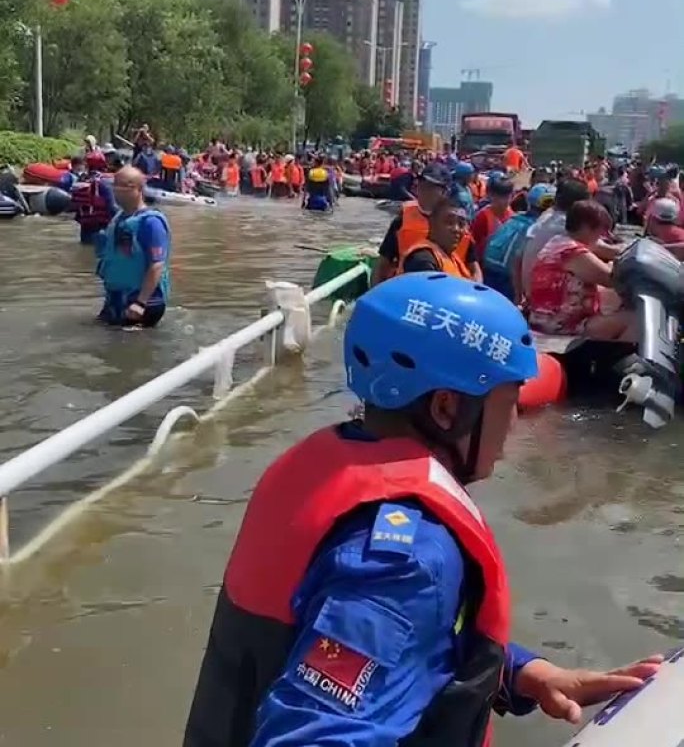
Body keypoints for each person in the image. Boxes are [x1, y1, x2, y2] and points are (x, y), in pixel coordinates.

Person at [184, 272, 662, 747]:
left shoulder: (329, 466)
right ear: (447, 408)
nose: (514, 424)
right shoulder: (406, 559)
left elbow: (358, 638)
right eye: (509, 401)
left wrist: (520, 671)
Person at [528, 200, 637, 341]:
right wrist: (614, 263)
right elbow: (612, 279)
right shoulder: (571, 252)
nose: (604, 236)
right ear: (586, 228)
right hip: (559, 324)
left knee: (613, 299)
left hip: (545, 317)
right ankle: (618, 359)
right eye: (602, 230)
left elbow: (609, 251)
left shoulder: (559, 241)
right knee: (635, 318)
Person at [95, 166, 170, 328]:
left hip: (141, 300)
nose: (116, 191)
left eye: (123, 186)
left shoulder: (151, 223)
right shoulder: (119, 218)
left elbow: (157, 264)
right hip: (116, 296)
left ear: (139, 189)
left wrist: (140, 303)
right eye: (114, 185)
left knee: (132, 347)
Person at [372, 163, 451, 285]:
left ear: (445, 193)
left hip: (446, 290)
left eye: (431, 188)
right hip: (407, 290)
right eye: (422, 186)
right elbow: (383, 263)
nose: (424, 192)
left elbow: (473, 265)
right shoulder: (402, 220)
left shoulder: (456, 223)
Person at [483, 183, 556, 302]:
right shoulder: (537, 228)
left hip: (489, 271)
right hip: (507, 279)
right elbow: (518, 262)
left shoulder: (514, 218)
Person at [397, 198, 476, 279]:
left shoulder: (452, 257)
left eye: (461, 224)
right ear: (432, 223)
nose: (456, 229)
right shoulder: (423, 261)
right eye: (449, 222)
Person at [71, 155, 117, 245]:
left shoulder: (80, 180)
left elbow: (74, 205)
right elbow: (112, 207)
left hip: (85, 229)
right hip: (101, 228)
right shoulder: (104, 182)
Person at [470, 176, 515, 261]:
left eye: (506, 197)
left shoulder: (513, 218)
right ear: (490, 196)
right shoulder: (482, 217)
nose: (502, 201)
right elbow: (473, 244)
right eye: (498, 197)